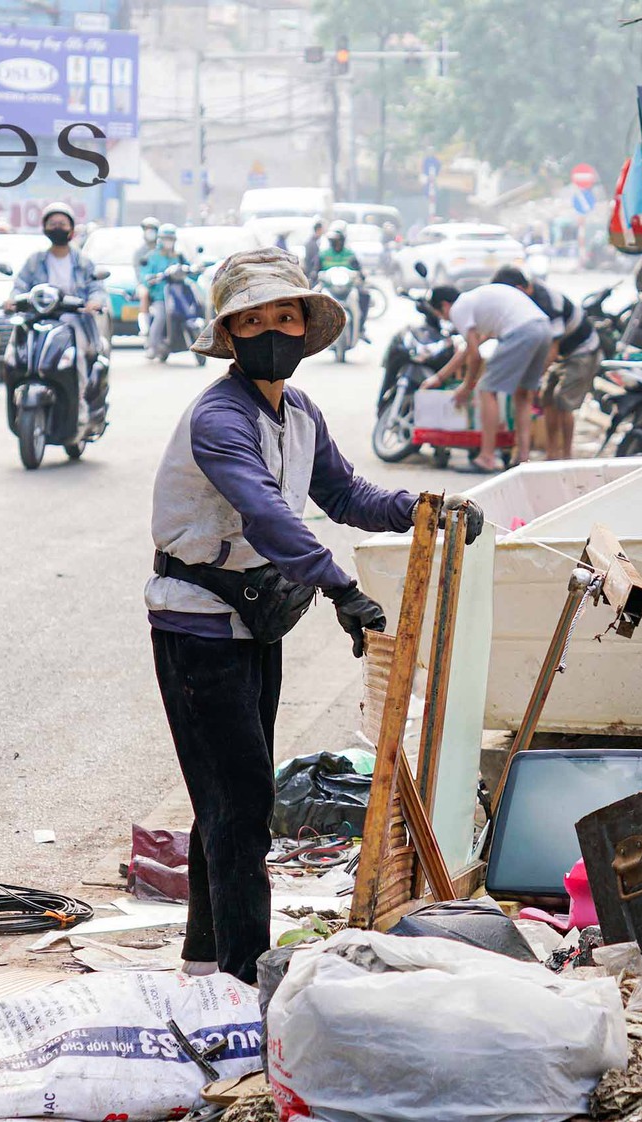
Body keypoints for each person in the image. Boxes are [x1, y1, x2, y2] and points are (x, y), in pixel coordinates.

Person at [144, 246, 481, 984]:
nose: (271, 329)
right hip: (199, 626)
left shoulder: (297, 412)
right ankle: (242, 978)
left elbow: (346, 493)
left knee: (229, 798)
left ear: (304, 328)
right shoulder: (218, 418)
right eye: (252, 319)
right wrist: (339, 586)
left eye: (284, 315)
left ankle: (205, 964)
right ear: (230, 335)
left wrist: (427, 508)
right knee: (239, 805)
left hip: (256, 621)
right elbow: (265, 514)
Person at [426, 277, 552, 471]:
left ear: (444, 305)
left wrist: (466, 387)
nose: (445, 319)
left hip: (521, 331)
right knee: (523, 393)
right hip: (543, 328)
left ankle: (486, 458)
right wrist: (440, 377)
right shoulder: (478, 302)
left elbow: (474, 356)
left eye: (441, 315)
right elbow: (468, 349)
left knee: (486, 389)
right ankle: (523, 458)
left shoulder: (459, 308)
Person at [490, 266, 599, 461]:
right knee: (547, 398)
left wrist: (533, 378)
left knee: (563, 401)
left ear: (520, 288)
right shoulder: (524, 303)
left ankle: (566, 455)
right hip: (560, 355)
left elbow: (552, 349)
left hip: (582, 350)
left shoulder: (547, 301)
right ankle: (551, 454)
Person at [8, 202, 108, 404]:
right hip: (39, 320)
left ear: (71, 228)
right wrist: (12, 300)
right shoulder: (35, 261)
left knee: (76, 355)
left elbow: (96, 287)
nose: (57, 228)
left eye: (62, 224)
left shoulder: (83, 261)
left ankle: (80, 403)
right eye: (52, 223)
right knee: (17, 353)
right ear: (44, 228)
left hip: (74, 322)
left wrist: (93, 302)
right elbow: (20, 285)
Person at [134, 222, 190, 349]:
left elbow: (190, 269)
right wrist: (150, 278)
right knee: (161, 316)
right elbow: (144, 274)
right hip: (160, 296)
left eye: (171, 239)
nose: (168, 242)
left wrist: (194, 269)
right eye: (166, 239)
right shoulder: (152, 256)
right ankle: (151, 346)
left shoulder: (179, 255)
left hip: (179, 294)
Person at [315, 224, 370, 343]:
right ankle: (314, 329)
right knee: (312, 299)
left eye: (338, 241)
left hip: (348, 287)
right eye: (333, 241)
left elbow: (359, 269)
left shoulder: (349, 254)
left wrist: (362, 275)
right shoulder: (324, 254)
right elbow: (315, 270)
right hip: (329, 287)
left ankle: (360, 328)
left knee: (365, 295)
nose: (336, 243)